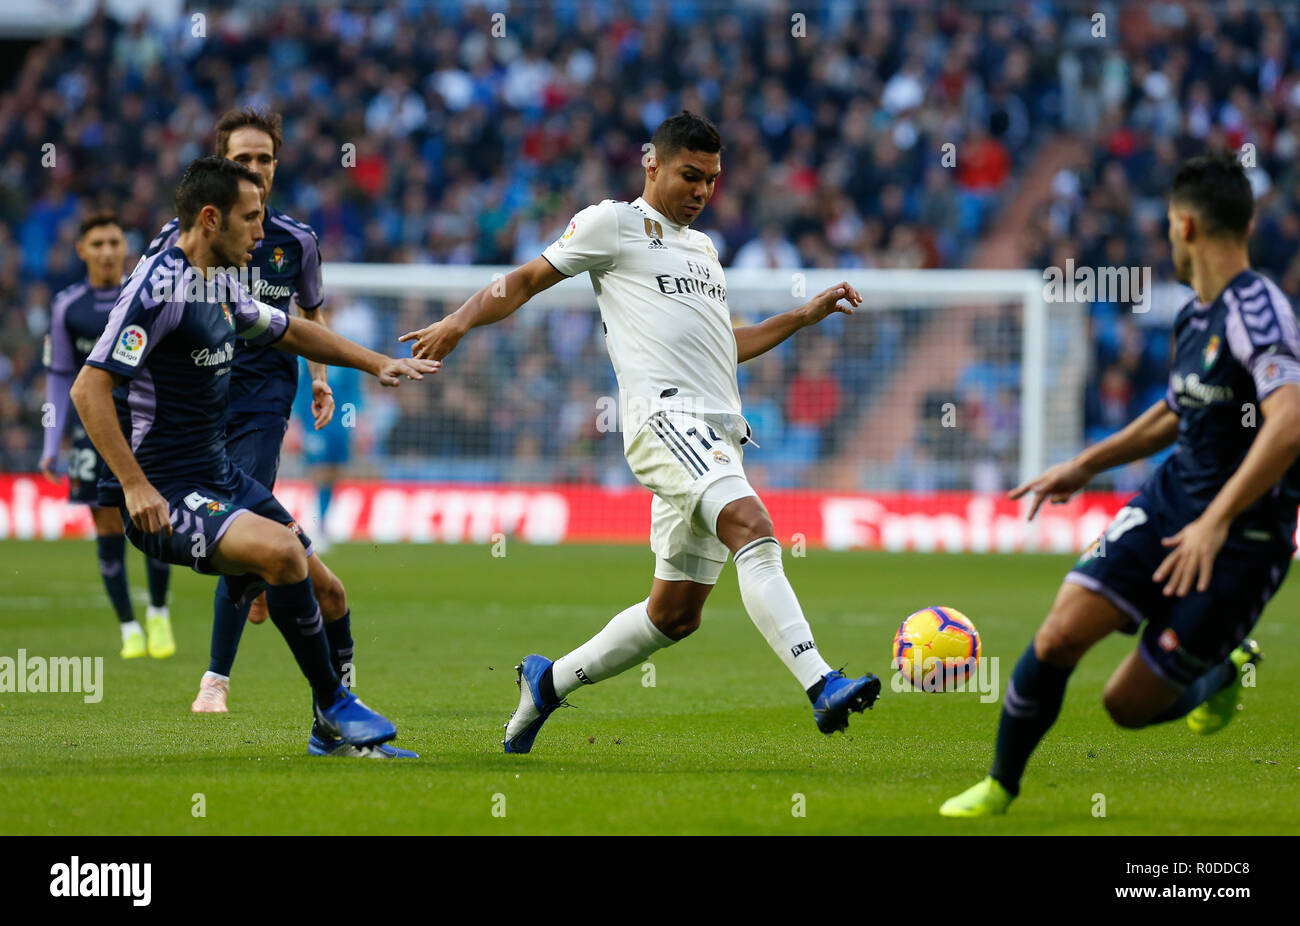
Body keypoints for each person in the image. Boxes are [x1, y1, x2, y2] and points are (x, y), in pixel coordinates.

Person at [401, 111, 881, 753]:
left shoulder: (704, 250)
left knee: (674, 615)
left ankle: (546, 683)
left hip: (717, 432)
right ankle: (821, 682)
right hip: (666, 420)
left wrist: (802, 315)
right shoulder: (612, 223)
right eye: (690, 175)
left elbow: (724, 347)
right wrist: (459, 322)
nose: (703, 191)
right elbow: (523, 280)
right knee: (754, 526)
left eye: (712, 179)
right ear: (651, 164)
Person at [941, 152, 1300, 817]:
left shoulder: (1259, 313)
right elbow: (1175, 410)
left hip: (1244, 534)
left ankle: (1219, 672)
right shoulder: (1197, 316)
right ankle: (1000, 785)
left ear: (1186, 227)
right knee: (1058, 636)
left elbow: (1289, 425)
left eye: (1168, 223)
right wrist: (1087, 464)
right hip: (1170, 502)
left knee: (1125, 706)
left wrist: (1217, 520)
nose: (1166, 236)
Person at [72, 156, 436, 755]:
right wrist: (134, 486)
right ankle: (335, 706)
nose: (262, 234)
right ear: (211, 219)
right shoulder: (157, 288)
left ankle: (332, 735)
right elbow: (88, 388)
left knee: (331, 594)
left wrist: (377, 363)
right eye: (251, 219)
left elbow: (289, 331)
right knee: (281, 553)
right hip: (165, 491)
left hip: (220, 477)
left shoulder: (219, 281)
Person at [139, 108, 336, 714]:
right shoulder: (181, 255)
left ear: (277, 165)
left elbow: (308, 314)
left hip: (260, 399)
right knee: (247, 535)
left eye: (265, 159)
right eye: (243, 159)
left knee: (243, 511)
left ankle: (215, 678)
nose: (256, 168)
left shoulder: (295, 241)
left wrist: (322, 380)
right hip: (198, 399)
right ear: (222, 163)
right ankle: (259, 583)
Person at [41, 212, 174, 659]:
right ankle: (129, 627)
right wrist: (48, 441)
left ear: (126, 247)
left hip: (142, 425)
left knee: (151, 517)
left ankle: (158, 612)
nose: (106, 251)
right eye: (96, 243)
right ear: (81, 250)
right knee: (106, 521)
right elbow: (60, 376)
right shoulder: (66, 306)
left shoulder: (144, 295)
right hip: (91, 431)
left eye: (114, 242)